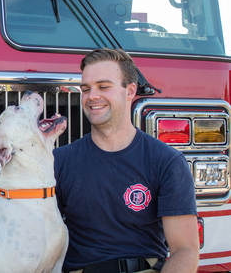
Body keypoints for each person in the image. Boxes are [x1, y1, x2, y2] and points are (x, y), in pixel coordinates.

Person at [54, 48, 199, 273]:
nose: (92, 96)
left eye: (103, 87)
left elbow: (185, 250)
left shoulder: (166, 162)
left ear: (130, 91)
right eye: (85, 89)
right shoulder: (59, 161)